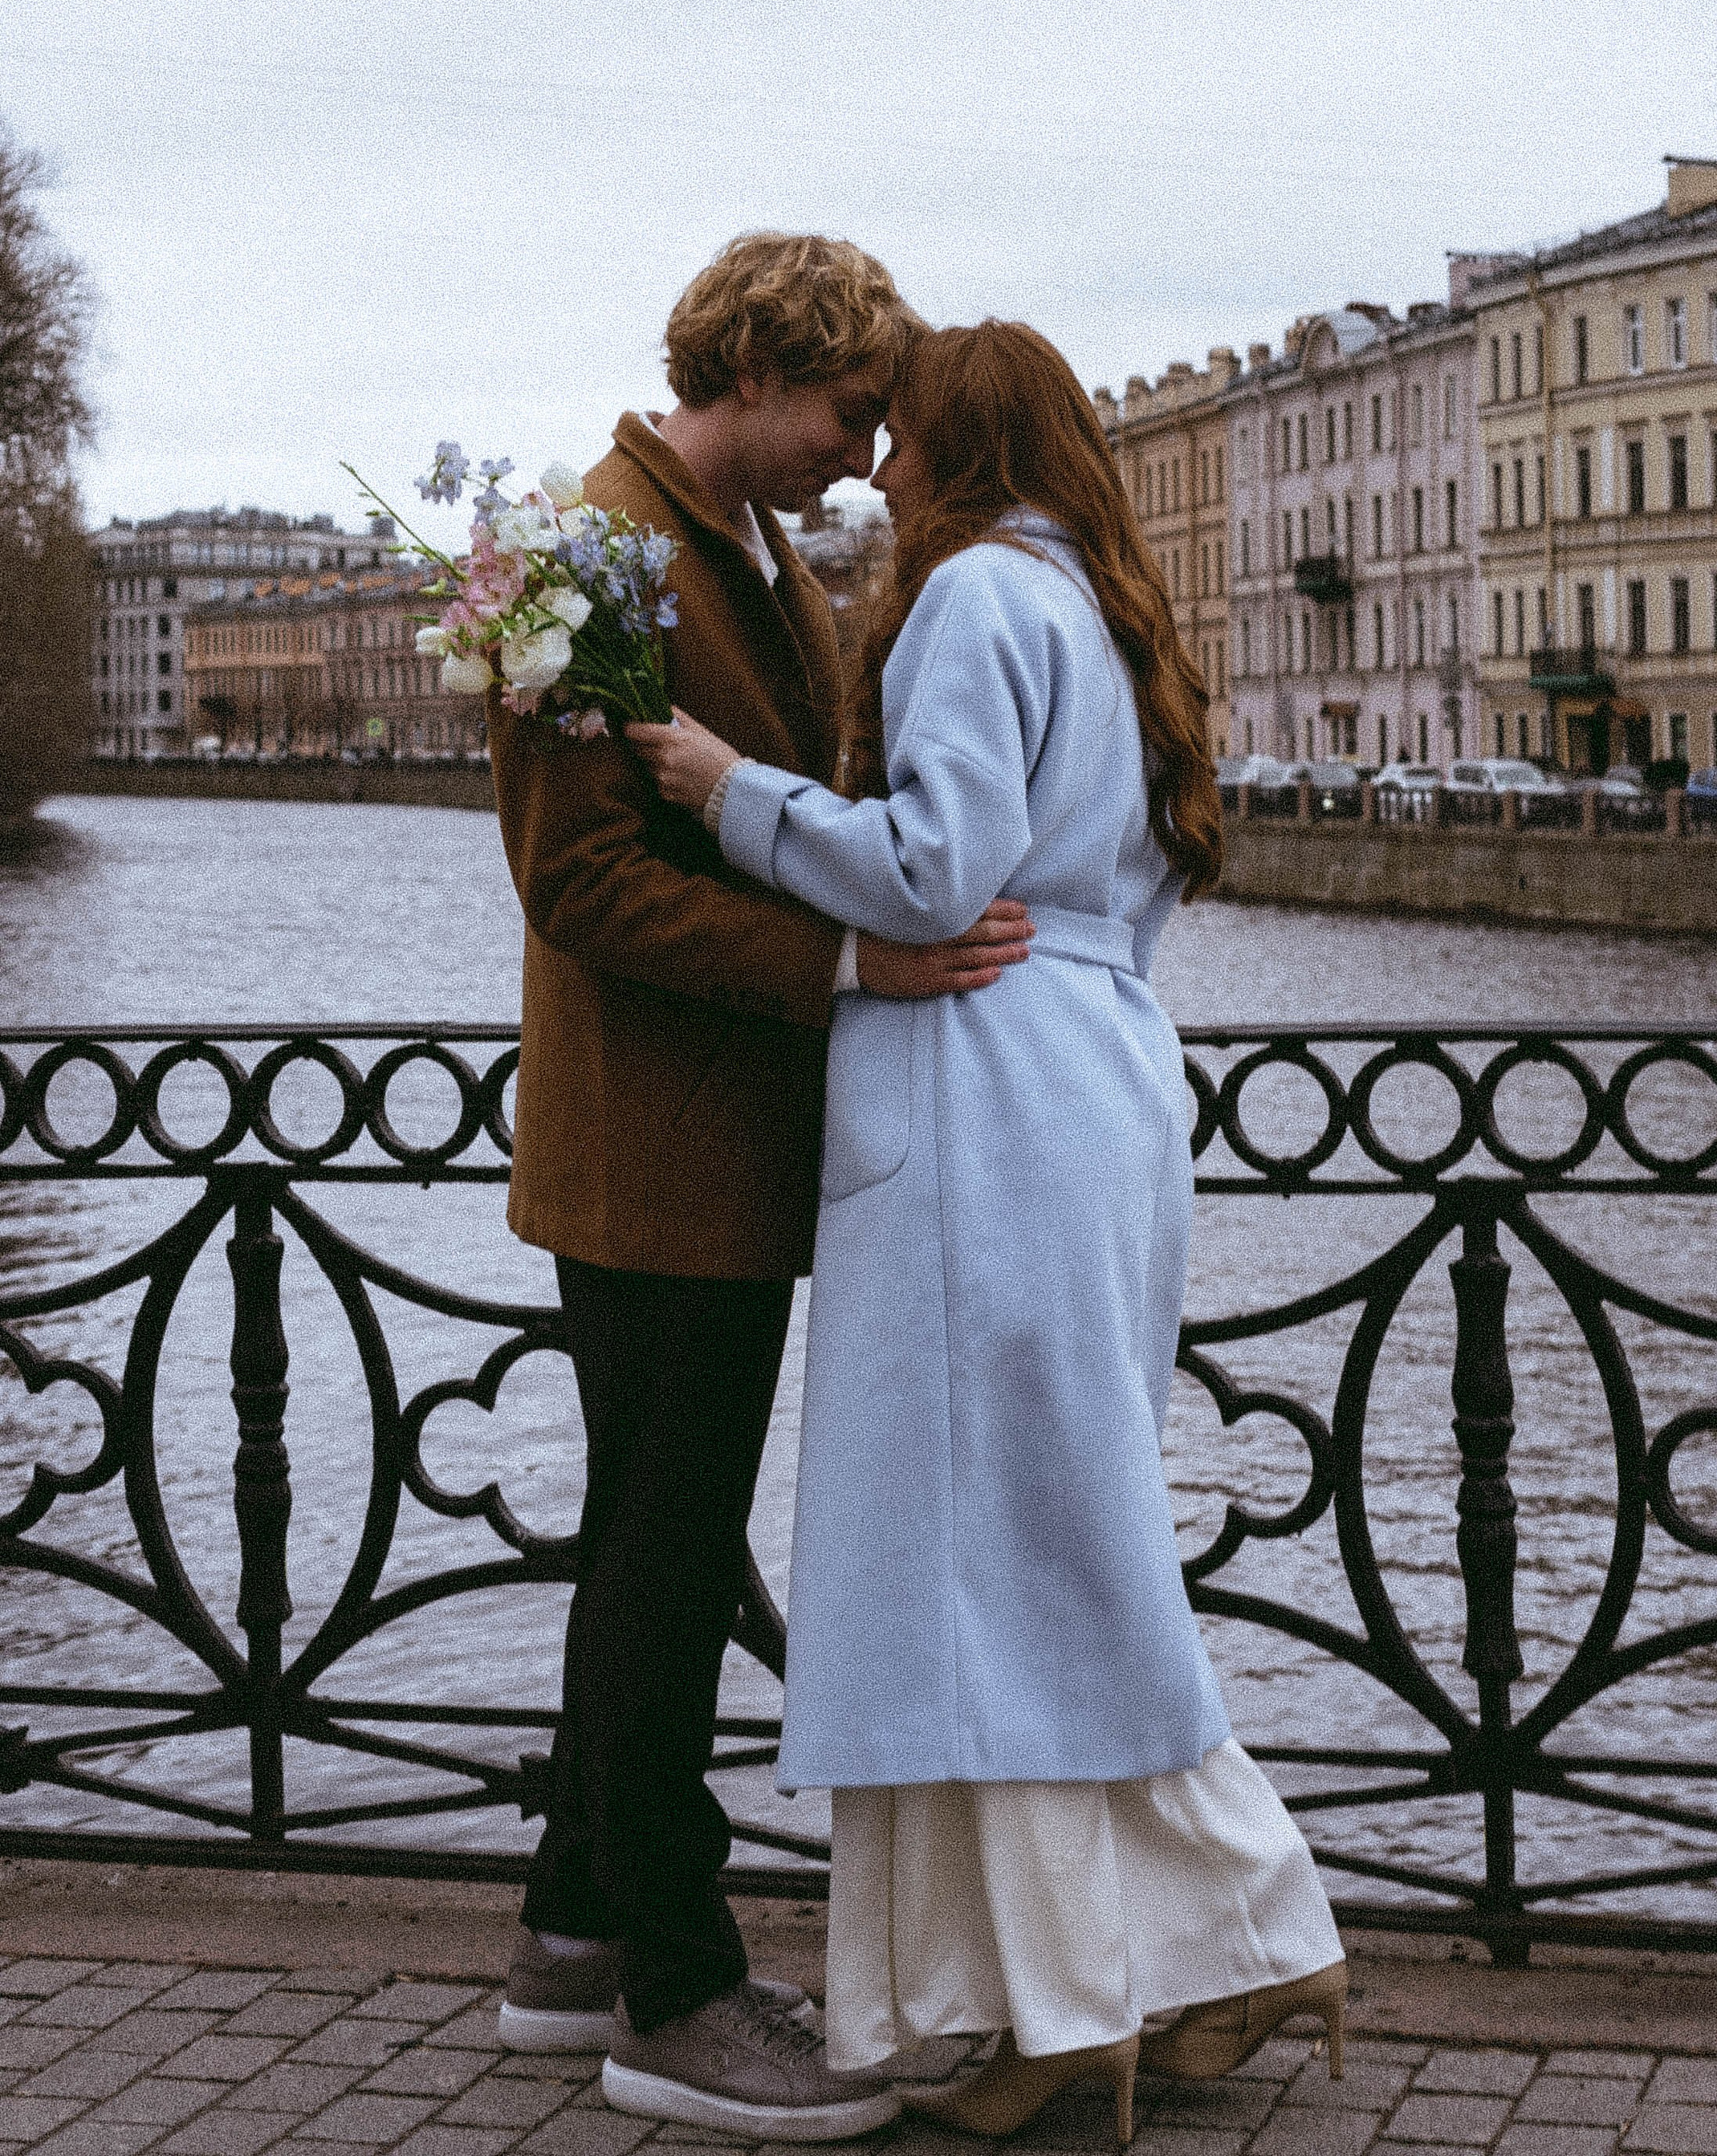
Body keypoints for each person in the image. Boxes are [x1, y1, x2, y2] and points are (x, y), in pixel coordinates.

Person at [627, 319, 1346, 2148]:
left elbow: (939, 871)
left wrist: (735, 793)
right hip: (1093, 1080)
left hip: (973, 1095)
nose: (872, 470)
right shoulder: (1102, 607)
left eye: (897, 439)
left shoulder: (963, 603)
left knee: (978, 1576)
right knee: (1048, 1544)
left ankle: (1074, 2008)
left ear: (954, 447)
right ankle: (1199, 1950)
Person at [490, 234, 1032, 2142]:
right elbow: (581, 886)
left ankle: (569, 1933)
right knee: (660, 1560)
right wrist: (843, 971)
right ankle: (679, 1990)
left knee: (664, 1539)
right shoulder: (587, 553)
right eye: (849, 410)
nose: (865, 451)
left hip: (727, 1147)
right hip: (650, 1150)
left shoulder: (759, 555)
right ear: (755, 368)